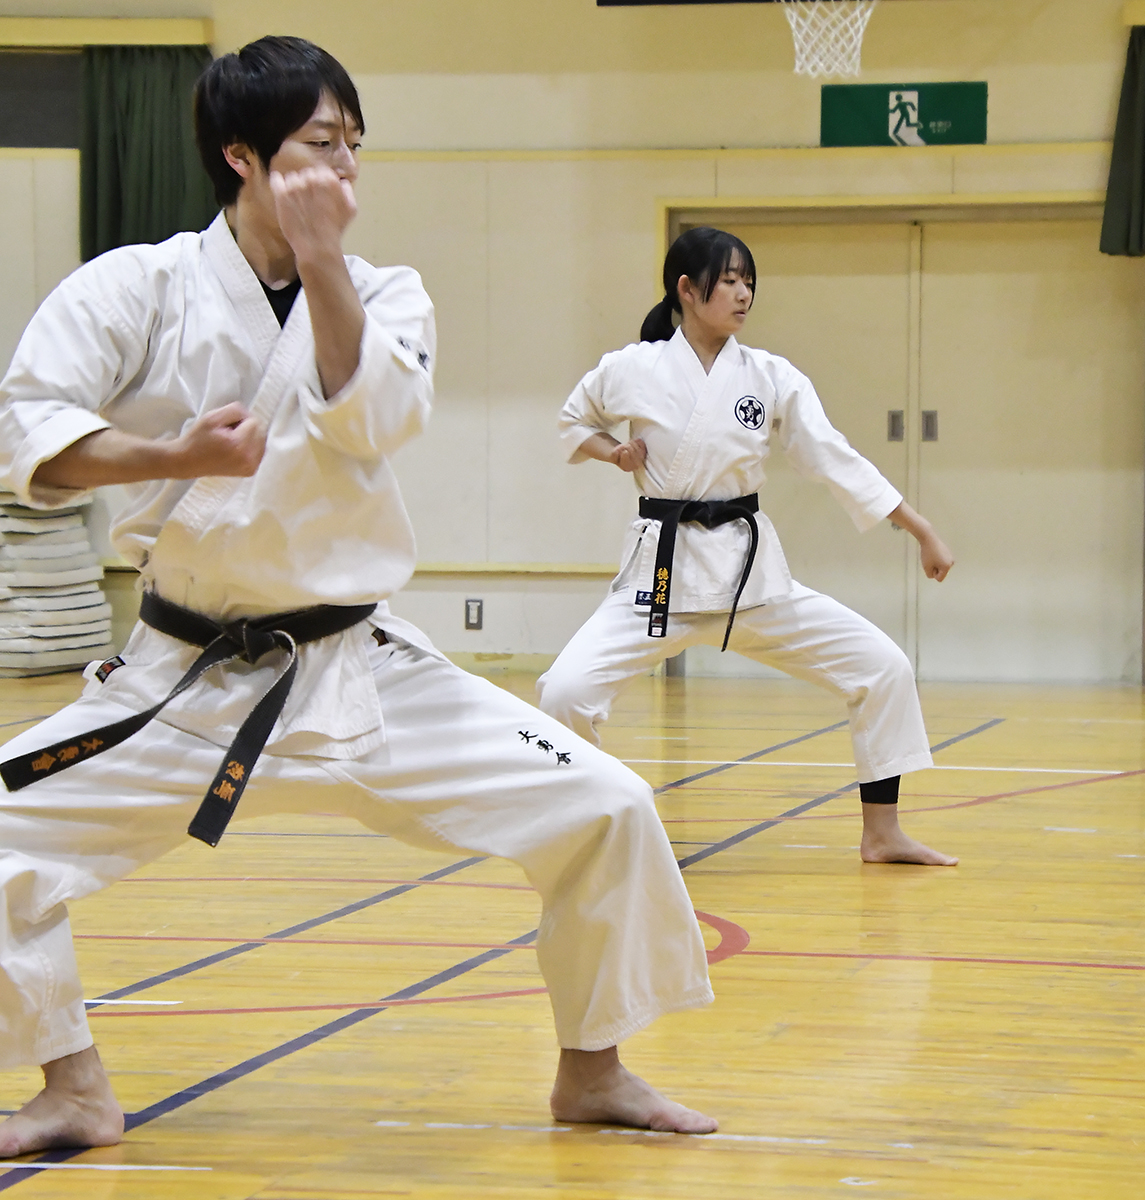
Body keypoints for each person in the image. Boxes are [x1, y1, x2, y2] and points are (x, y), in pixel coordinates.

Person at [0, 37, 717, 1157]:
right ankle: (75, 1090)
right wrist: (165, 456)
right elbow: (27, 431)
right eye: (314, 149)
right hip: (182, 681)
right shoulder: (135, 288)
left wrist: (326, 260)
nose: (340, 173)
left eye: (352, 150)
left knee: (611, 807)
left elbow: (376, 420)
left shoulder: (387, 292)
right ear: (241, 156)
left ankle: (594, 1071)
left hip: (361, 674)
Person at [537, 227, 957, 868]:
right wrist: (614, 452)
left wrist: (919, 526)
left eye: (748, 281)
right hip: (660, 579)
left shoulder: (769, 376)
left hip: (749, 580)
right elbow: (573, 419)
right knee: (563, 693)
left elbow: (834, 458)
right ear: (687, 289)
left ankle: (883, 833)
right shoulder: (633, 368)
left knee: (883, 667)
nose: (742, 293)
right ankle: (598, 827)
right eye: (729, 280)